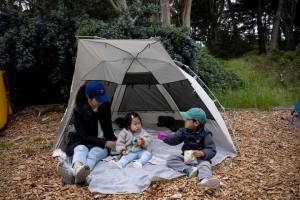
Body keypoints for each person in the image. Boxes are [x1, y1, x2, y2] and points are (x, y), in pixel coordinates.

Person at [57, 81, 117, 184]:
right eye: (98, 99)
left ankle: (73, 174)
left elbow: (108, 127)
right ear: (88, 97)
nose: (101, 102)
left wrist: (115, 143)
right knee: (81, 149)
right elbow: (83, 136)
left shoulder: (105, 105)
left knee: (94, 153)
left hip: (100, 144)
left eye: (102, 98)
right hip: (82, 141)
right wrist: (105, 143)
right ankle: (77, 170)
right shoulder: (79, 109)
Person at [158, 107, 220, 189]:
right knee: (171, 159)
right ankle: (190, 170)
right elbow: (174, 139)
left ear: (196, 123)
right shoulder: (183, 131)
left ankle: (205, 180)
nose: (185, 120)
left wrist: (202, 153)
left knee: (205, 165)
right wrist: (165, 138)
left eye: (187, 119)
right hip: (187, 156)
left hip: (200, 159)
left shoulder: (206, 134)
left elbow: (211, 149)